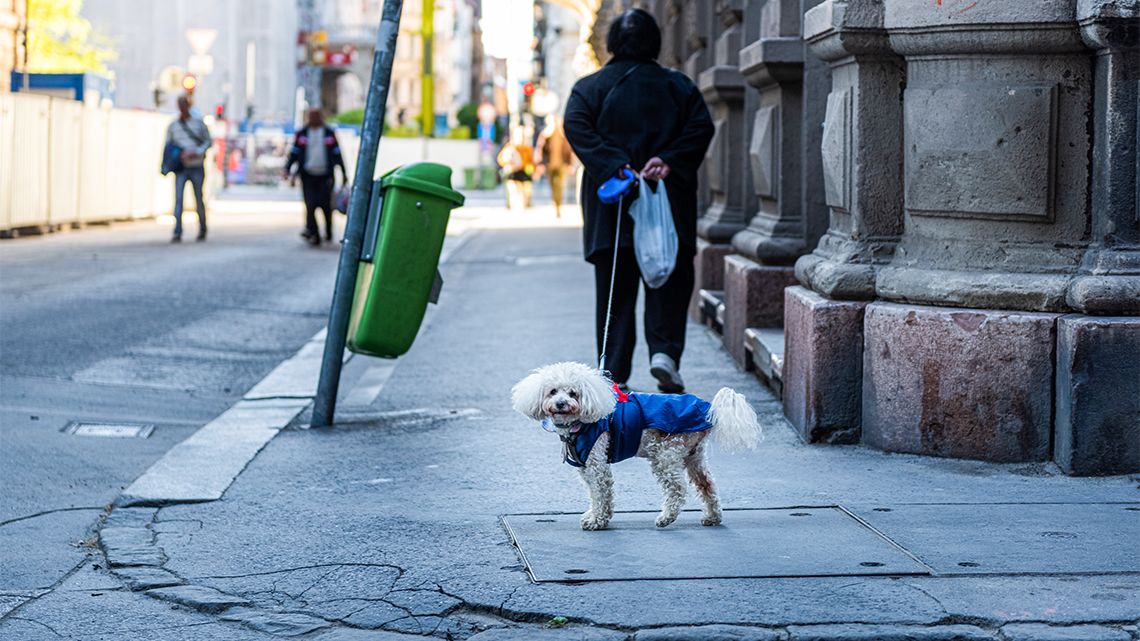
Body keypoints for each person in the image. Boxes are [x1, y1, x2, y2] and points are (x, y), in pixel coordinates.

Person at [563, 8, 714, 394]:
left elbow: (576, 126)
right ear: (655, 42)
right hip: (668, 209)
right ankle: (664, 354)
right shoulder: (679, 87)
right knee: (668, 281)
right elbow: (701, 127)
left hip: (611, 212)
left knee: (615, 289)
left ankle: (612, 372)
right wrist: (668, 160)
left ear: (612, 43)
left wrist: (615, 165)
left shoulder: (589, 89)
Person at [285, 109, 347, 246]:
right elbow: (294, 153)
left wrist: (343, 173)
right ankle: (313, 232)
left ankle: (328, 230)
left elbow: (337, 154)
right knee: (310, 204)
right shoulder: (302, 134)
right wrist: (288, 170)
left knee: (325, 205)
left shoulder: (329, 133)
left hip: (325, 176)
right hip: (307, 175)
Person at [166, 95, 212, 243]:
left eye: (184, 104)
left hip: (196, 166)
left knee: (198, 198)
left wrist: (197, 152)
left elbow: (208, 142)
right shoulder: (173, 126)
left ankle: (202, 229)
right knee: (178, 199)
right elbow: (168, 147)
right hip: (181, 167)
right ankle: (177, 231)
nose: (182, 107)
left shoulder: (198, 123)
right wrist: (174, 159)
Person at [535, 115, 576, 218]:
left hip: (561, 164)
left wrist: (570, 164)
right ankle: (555, 202)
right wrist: (541, 164)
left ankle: (558, 205)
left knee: (560, 185)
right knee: (553, 185)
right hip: (549, 165)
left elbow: (568, 151)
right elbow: (540, 150)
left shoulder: (563, 135)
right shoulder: (545, 135)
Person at [497, 129, 534, 210]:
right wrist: (508, 163)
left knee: (523, 195)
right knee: (512, 193)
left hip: (524, 174)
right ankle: (512, 207)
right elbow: (500, 159)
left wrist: (529, 168)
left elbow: (531, 162)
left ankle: (522, 209)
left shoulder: (527, 148)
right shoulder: (509, 147)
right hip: (512, 174)